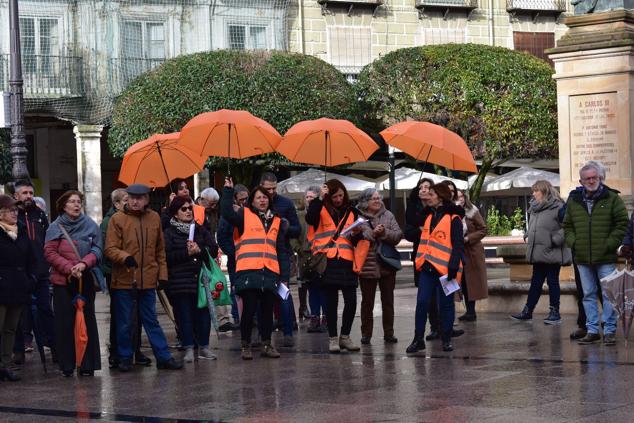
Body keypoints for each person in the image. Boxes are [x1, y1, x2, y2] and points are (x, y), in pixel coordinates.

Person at [105, 184, 183, 371]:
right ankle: (125, 357)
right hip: (124, 280)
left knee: (151, 321)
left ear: (146, 199)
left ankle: (163, 357)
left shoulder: (154, 218)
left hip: (148, 280)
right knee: (125, 323)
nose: (134, 201)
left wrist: (162, 275)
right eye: (131, 197)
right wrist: (125, 257)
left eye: (139, 198)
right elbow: (110, 249)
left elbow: (159, 250)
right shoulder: (117, 219)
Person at [220, 177, 287, 360]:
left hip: (269, 271)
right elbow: (226, 212)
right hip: (249, 271)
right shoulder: (244, 215)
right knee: (249, 310)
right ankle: (246, 344)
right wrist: (227, 191)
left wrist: (284, 275)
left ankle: (266, 343)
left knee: (267, 311)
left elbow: (280, 249)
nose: (262, 200)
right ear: (252, 200)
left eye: (264, 197)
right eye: (258, 198)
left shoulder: (276, 221)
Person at [563, 161, 628, 345]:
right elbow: (567, 225)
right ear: (581, 181)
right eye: (587, 178)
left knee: (608, 295)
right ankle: (592, 330)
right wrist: (574, 243)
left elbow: (622, 223)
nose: (591, 181)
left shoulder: (612, 198)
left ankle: (609, 330)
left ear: (600, 178)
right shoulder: (575, 200)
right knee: (588, 294)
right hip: (583, 256)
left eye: (594, 177)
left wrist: (610, 244)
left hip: (606, 256)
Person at [44, 191, 102, 377]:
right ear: (63, 205)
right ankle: (67, 364)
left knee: (88, 322)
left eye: (79, 202)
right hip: (63, 282)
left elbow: (98, 248)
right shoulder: (55, 227)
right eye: (72, 202)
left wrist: (84, 263)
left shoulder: (90, 224)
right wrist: (70, 268)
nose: (77, 205)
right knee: (65, 323)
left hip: (85, 281)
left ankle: (88, 364)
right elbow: (50, 253)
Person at [306, 179, 364, 354]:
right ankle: (333, 338)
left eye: (341, 195)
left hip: (347, 260)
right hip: (328, 260)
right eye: (334, 196)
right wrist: (319, 198)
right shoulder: (320, 208)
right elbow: (310, 219)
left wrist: (356, 233)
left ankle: (345, 336)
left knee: (351, 301)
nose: (338, 199)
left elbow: (356, 240)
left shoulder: (352, 211)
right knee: (331, 302)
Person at [406, 183, 464, 354]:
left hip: (446, 270)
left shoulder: (454, 218)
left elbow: (458, 245)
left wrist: (453, 265)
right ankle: (418, 339)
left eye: (431, 194)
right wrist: (412, 195)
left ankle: (446, 339)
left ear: (441, 196)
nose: (428, 196)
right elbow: (410, 219)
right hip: (427, 268)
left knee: (446, 305)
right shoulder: (428, 216)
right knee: (422, 303)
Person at [164, 196, 218, 363]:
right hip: (180, 281)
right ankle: (188, 347)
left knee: (203, 314)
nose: (188, 211)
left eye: (190, 208)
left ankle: (204, 347)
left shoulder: (200, 229)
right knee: (184, 315)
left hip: (201, 280)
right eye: (184, 209)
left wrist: (199, 250)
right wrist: (186, 253)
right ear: (175, 213)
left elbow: (213, 250)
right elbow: (166, 256)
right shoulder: (169, 232)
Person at [511, 181, 570, 324]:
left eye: (535, 191)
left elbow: (568, 226)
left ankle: (554, 313)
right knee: (536, 282)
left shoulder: (558, 206)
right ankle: (528, 311)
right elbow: (537, 226)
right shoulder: (535, 208)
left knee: (552, 281)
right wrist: (529, 233)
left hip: (552, 251)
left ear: (544, 191)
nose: (533, 193)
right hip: (539, 252)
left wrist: (555, 240)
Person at [12, 180, 55, 366]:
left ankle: (54, 347)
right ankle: (18, 350)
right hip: (19, 274)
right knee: (19, 314)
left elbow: (47, 241)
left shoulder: (40, 215)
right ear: (16, 196)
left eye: (31, 192)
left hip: (41, 272)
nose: (28, 196)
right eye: (24, 193)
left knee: (46, 310)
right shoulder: (12, 216)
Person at [357, 188, 403, 345]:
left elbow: (398, 235)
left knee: (388, 301)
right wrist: (373, 233)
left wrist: (384, 233)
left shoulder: (388, 215)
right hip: (367, 264)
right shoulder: (358, 217)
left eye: (378, 198)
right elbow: (357, 238)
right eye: (373, 198)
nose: (377, 200)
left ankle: (389, 333)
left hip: (387, 264)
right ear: (365, 202)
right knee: (367, 302)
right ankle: (366, 334)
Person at [260, 172, 300, 347]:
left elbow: (297, 229)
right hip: (260, 254)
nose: (271, 192)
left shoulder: (285, 203)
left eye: (274, 188)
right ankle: (264, 335)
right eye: (267, 188)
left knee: (283, 293)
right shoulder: (255, 204)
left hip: (281, 252)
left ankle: (288, 331)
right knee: (263, 295)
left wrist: (285, 226)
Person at [0, 195, 36, 381]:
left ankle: (6, 365)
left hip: (19, 286)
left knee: (11, 329)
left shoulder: (21, 231)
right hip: (2, 286)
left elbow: (30, 258)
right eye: (10, 210)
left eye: (16, 210)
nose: (15, 213)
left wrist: (30, 279)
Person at [292, 186, 328, 333]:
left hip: (322, 255)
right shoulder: (299, 216)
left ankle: (325, 318)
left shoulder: (325, 213)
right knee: (311, 289)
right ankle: (314, 318)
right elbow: (293, 237)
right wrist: (299, 250)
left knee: (324, 289)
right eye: (307, 197)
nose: (309, 200)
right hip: (305, 257)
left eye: (313, 197)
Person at [216, 184, 249, 329]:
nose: (244, 202)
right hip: (235, 259)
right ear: (234, 199)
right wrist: (234, 253)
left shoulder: (249, 212)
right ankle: (237, 316)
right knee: (236, 288)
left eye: (247, 198)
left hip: (249, 258)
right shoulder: (228, 216)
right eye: (242, 199)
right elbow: (222, 238)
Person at [455, 190, 488, 322]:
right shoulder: (452, 213)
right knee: (461, 280)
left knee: (471, 281)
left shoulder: (472, 211)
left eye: (462, 196)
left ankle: (471, 311)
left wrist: (469, 238)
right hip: (458, 251)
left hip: (472, 251)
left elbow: (483, 229)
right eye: (457, 197)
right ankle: (468, 311)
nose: (460, 199)